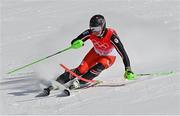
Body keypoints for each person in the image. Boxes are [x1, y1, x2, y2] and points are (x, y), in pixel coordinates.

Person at [40, 14, 135, 96]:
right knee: (80, 70)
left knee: (97, 68)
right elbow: (75, 40)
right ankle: (59, 81)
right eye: (92, 28)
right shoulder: (90, 32)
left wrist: (128, 69)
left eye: (97, 29)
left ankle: (80, 82)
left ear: (103, 26)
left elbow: (123, 53)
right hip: (95, 52)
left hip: (108, 56)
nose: (94, 31)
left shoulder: (112, 37)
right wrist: (76, 43)